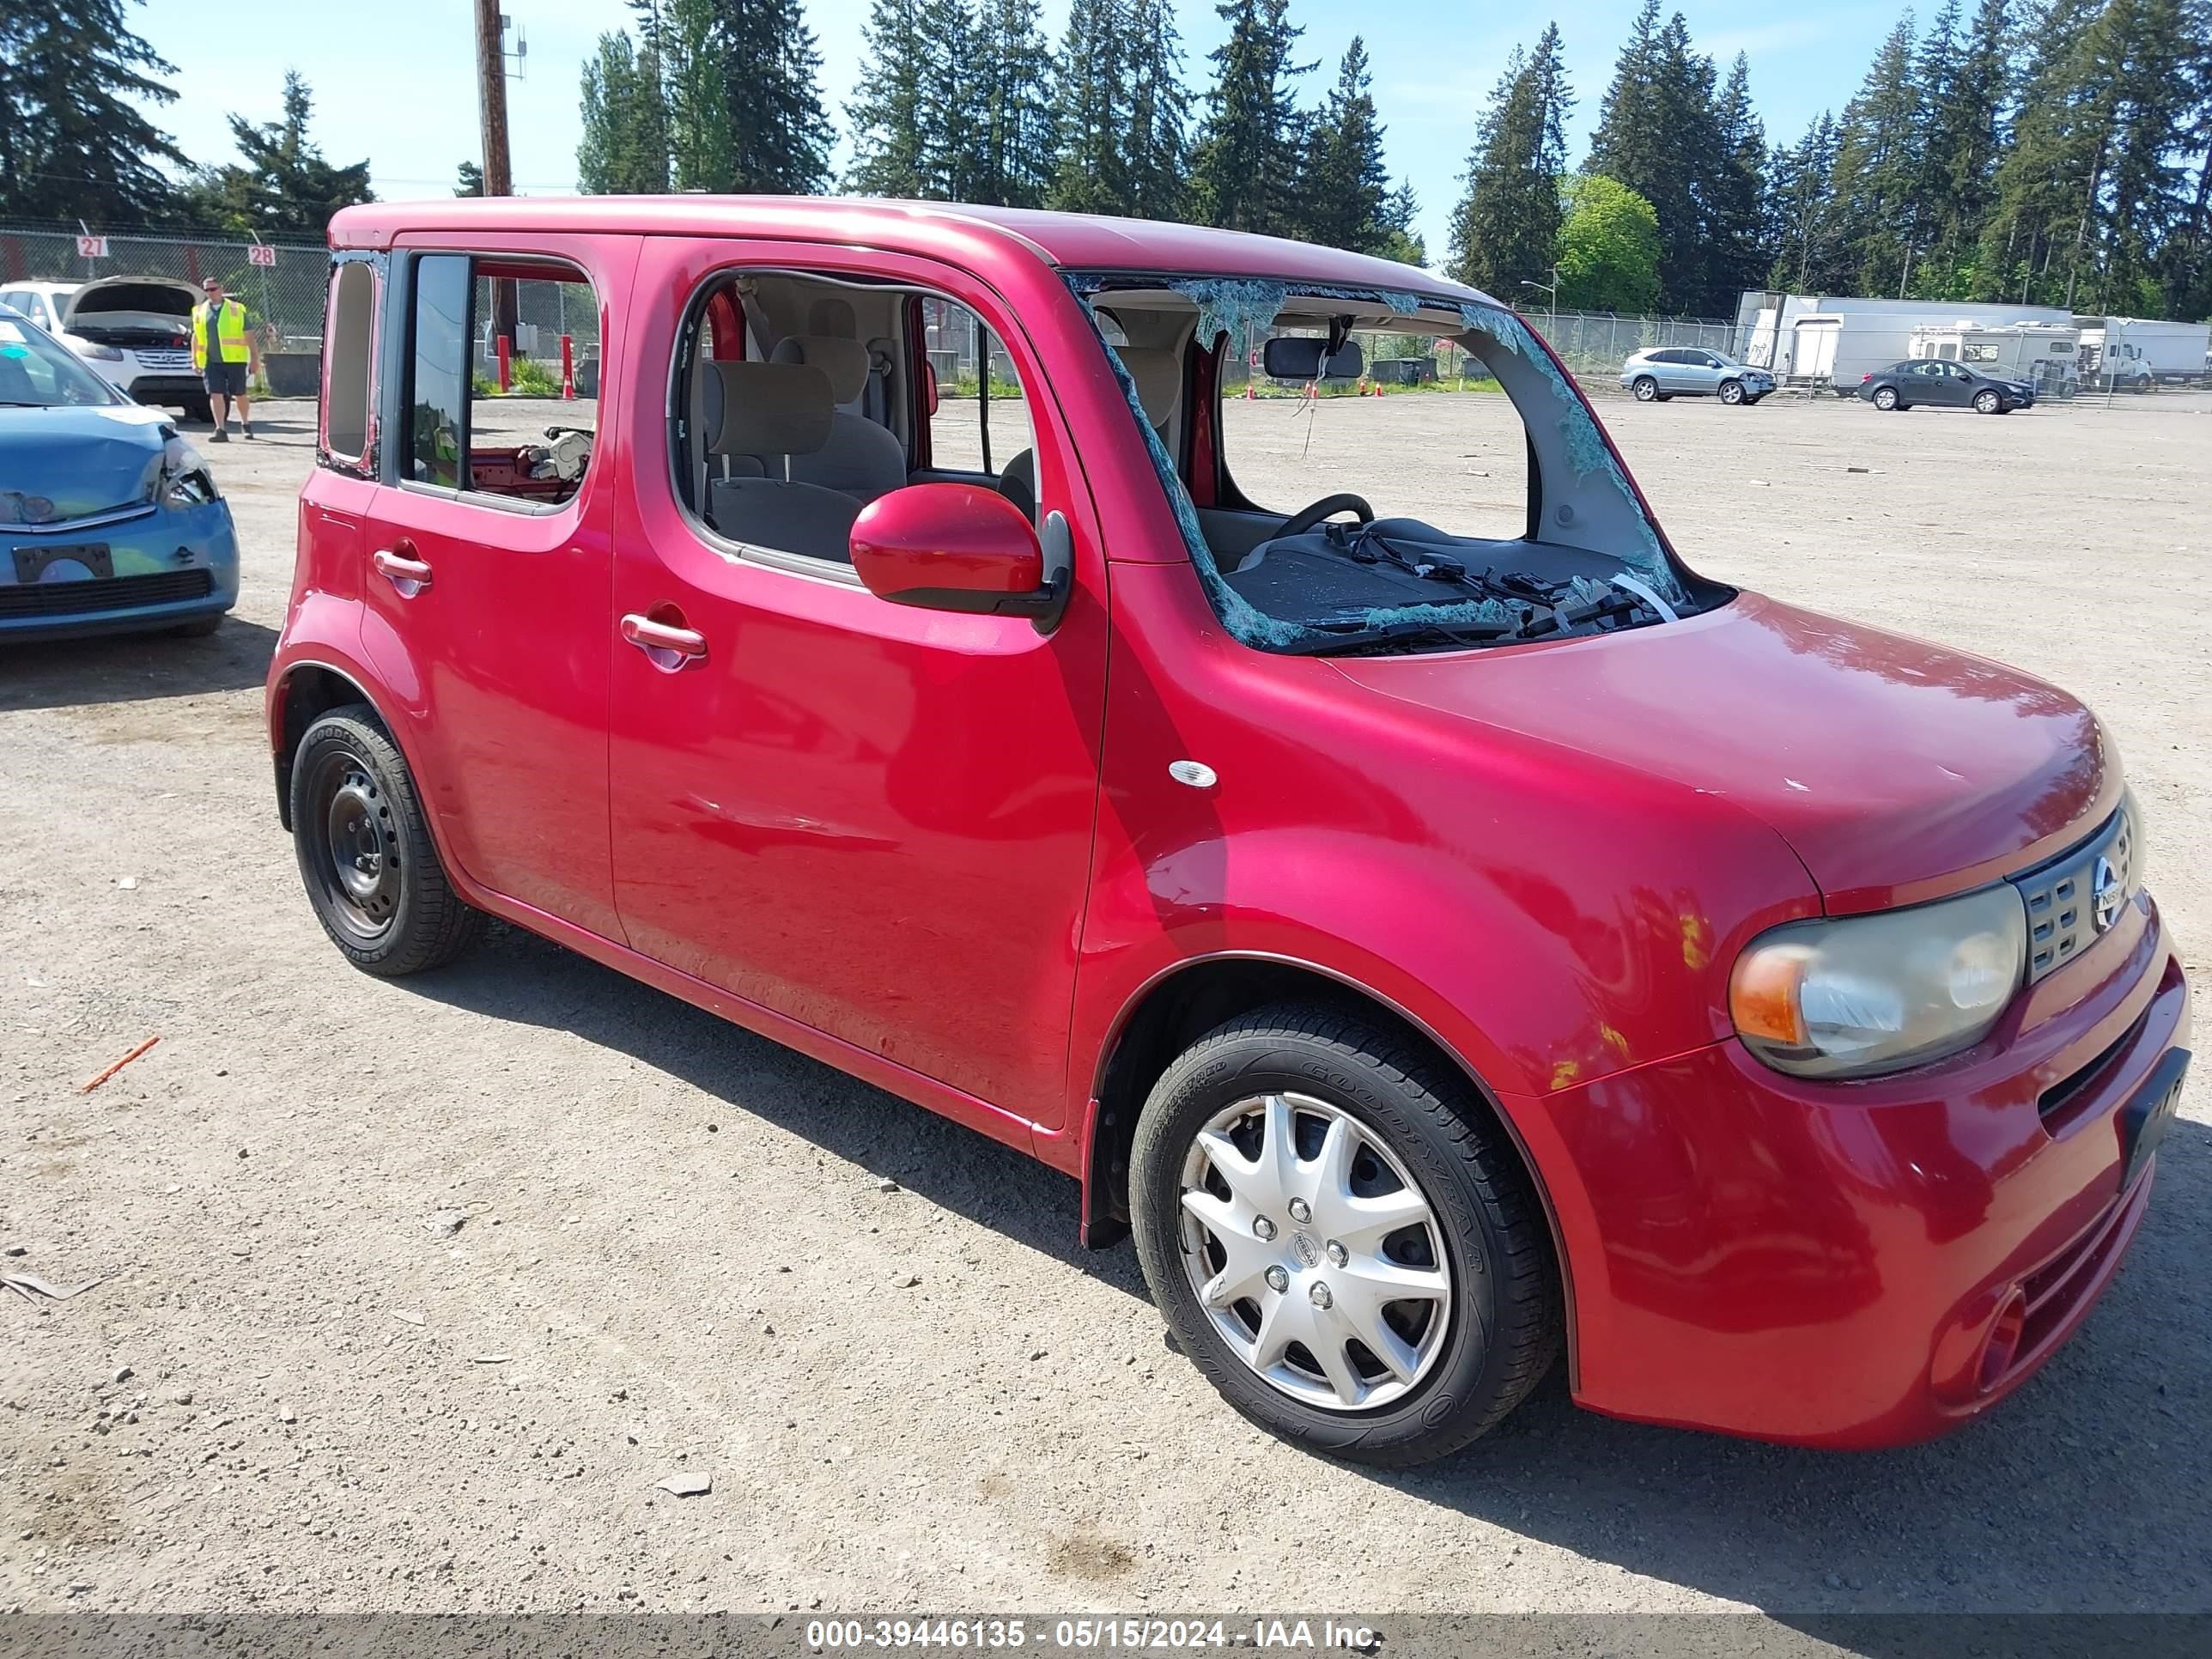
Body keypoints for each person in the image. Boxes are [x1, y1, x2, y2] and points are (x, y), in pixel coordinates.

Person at [191, 278, 260, 441]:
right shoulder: (200, 311)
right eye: (207, 290)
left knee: (240, 394)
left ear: (222, 289)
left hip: (235, 359)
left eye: (213, 289)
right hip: (211, 361)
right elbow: (195, 336)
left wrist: (255, 359)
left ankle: (245, 423)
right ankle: (220, 429)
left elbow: (249, 336)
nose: (210, 293)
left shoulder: (236, 309)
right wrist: (194, 359)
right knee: (216, 394)